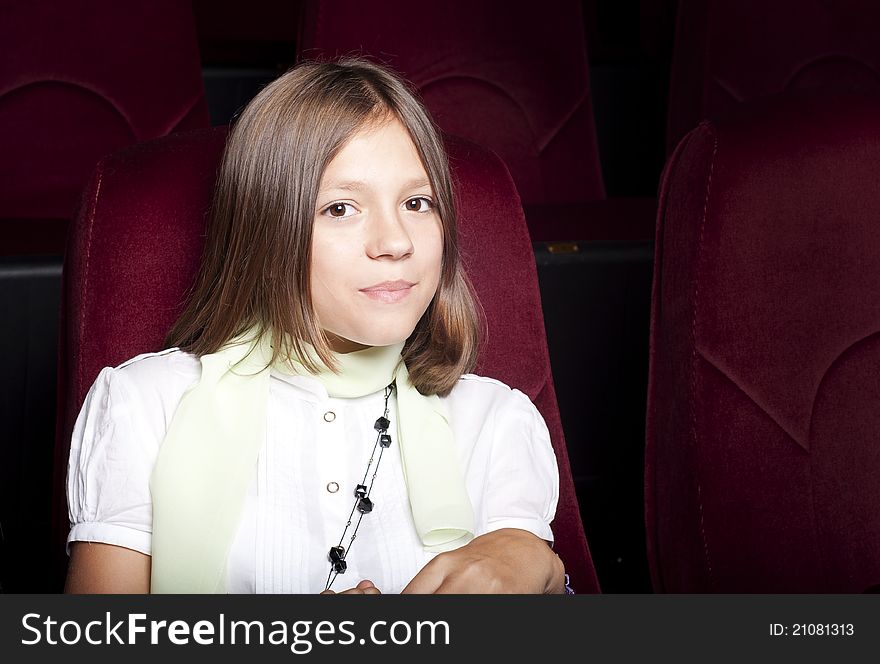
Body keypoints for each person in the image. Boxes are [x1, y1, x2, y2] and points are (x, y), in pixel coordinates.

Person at [64, 58, 566, 594]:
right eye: (341, 208)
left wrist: (546, 571)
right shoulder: (143, 405)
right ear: (269, 227)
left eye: (418, 203)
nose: (396, 243)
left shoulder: (496, 423)